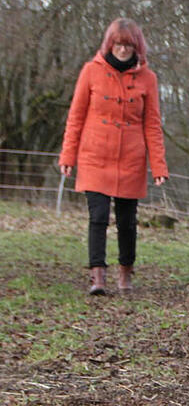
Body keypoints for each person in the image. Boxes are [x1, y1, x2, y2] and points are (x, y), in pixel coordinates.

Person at [59, 18, 168, 295]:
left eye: (127, 45)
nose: (122, 50)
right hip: (95, 155)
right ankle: (98, 276)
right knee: (97, 216)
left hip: (130, 158)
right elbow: (76, 116)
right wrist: (68, 156)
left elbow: (152, 124)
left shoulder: (148, 79)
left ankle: (126, 272)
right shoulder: (90, 71)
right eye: (118, 45)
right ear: (110, 44)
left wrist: (158, 165)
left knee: (127, 220)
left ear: (136, 47)